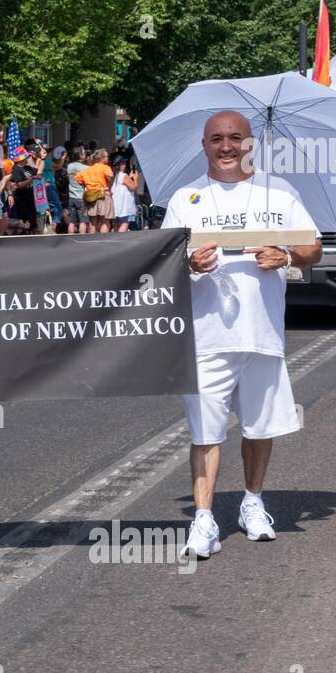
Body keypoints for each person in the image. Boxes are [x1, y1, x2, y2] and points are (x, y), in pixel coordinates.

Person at [160, 110, 323, 559]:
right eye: (217, 139)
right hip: (206, 337)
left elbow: (314, 248)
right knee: (205, 433)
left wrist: (286, 254)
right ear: (204, 144)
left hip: (261, 332)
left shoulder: (279, 192)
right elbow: (164, 261)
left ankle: (253, 502)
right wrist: (189, 264)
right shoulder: (186, 198)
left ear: (251, 143)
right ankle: (204, 519)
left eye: (235, 138)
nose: (226, 146)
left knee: (259, 426)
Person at [75, 149, 114, 233]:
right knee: (105, 221)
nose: (108, 158)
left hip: (91, 196)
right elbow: (110, 176)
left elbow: (78, 178)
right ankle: (103, 242)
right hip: (103, 195)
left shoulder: (88, 169)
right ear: (102, 158)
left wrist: (86, 185)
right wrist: (109, 184)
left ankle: (91, 242)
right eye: (107, 156)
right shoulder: (105, 167)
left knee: (92, 223)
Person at [110, 156, 138, 232]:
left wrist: (129, 177)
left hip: (116, 205)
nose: (125, 165)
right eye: (124, 163)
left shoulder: (115, 175)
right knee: (124, 224)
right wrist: (135, 178)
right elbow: (134, 187)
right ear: (121, 165)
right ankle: (120, 241)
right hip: (125, 206)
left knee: (116, 224)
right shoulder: (124, 176)